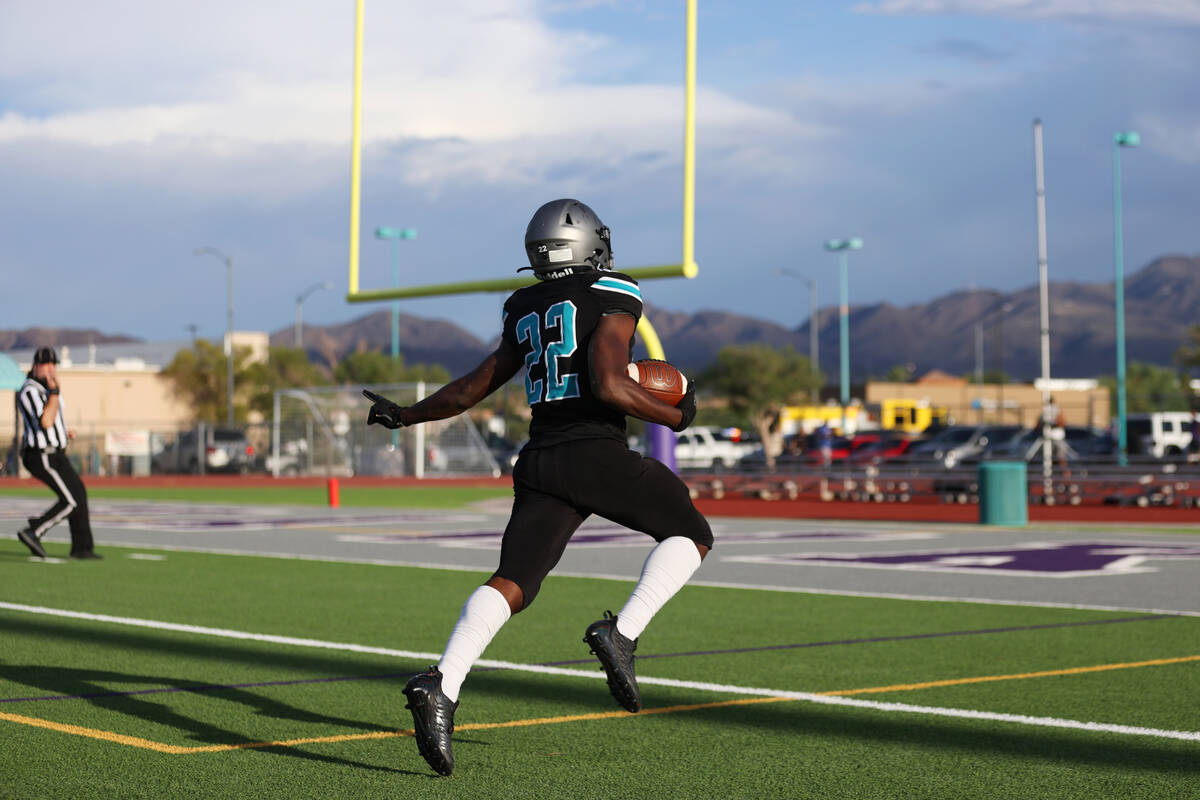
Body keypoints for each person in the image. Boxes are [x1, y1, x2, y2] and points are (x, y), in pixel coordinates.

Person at [363, 199, 711, 776]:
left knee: (514, 583)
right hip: (592, 451)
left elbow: (473, 387)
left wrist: (404, 415)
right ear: (589, 245)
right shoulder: (613, 290)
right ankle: (620, 634)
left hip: (540, 460)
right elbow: (606, 383)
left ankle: (441, 683)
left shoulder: (524, 305)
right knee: (691, 534)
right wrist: (676, 417)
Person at [14, 347, 100, 560]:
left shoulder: (48, 390)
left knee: (79, 493)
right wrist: (54, 392)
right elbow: (45, 421)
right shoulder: (30, 390)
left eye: (53, 364)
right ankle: (35, 531)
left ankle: (82, 548)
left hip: (56, 453)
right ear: (35, 367)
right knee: (70, 500)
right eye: (46, 365)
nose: (51, 369)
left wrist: (64, 432)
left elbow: (53, 421)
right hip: (40, 454)